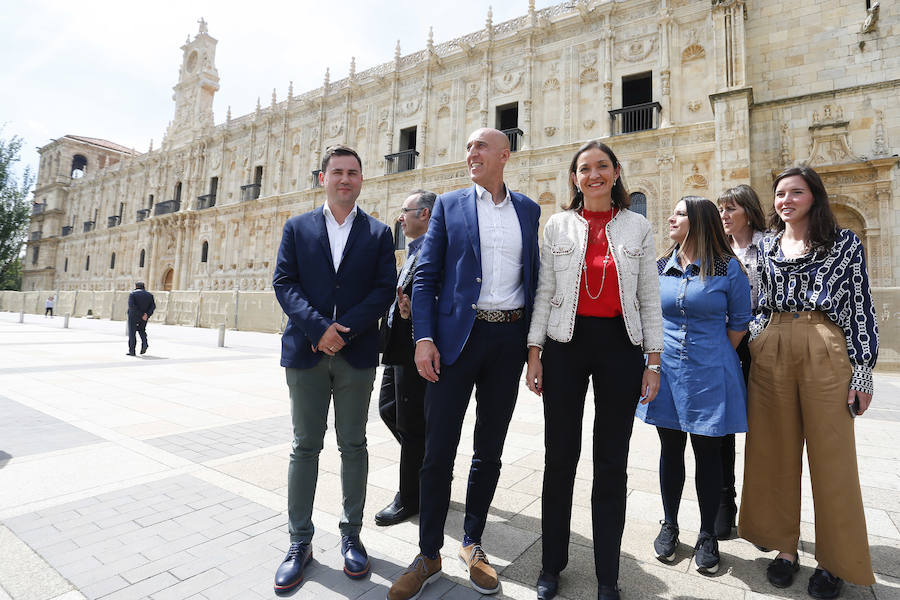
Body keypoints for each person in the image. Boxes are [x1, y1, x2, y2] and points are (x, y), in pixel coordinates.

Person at [387, 128, 540, 600]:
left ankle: (472, 542)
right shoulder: (451, 206)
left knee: (489, 447)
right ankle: (428, 551)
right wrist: (424, 337)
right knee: (438, 449)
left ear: (503, 155)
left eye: (480, 147)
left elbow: (534, 278)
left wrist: (534, 347)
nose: (471, 152)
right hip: (455, 340)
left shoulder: (528, 210)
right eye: (467, 145)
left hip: (508, 339)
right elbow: (428, 275)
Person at [524, 141, 664, 600]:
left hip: (621, 347)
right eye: (585, 169)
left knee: (611, 461)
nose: (594, 175)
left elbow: (648, 297)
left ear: (617, 172)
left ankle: (608, 574)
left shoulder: (638, 226)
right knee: (559, 458)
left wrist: (654, 361)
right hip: (566, 343)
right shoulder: (558, 225)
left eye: (602, 166)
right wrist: (534, 351)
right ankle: (551, 564)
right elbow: (544, 291)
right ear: (574, 178)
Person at [738, 167, 878, 599]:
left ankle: (834, 560)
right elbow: (756, 301)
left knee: (831, 456)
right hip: (773, 344)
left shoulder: (844, 244)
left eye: (796, 192)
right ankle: (784, 548)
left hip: (824, 343)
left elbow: (860, 306)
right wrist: (760, 337)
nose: (786, 200)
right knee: (773, 451)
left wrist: (863, 372)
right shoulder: (765, 246)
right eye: (780, 194)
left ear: (814, 197)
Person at [271, 144, 396, 593]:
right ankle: (299, 542)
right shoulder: (297, 227)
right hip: (306, 352)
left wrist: (345, 331)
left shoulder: (379, 233)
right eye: (338, 172)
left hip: (356, 354)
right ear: (322, 177)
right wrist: (318, 328)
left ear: (362, 179)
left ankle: (351, 534)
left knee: (354, 444)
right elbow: (284, 282)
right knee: (305, 446)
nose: (346, 179)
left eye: (353, 173)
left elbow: (384, 289)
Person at [635, 196, 751, 575]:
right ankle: (669, 524)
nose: (671, 217)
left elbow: (739, 322)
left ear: (699, 221)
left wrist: (711, 353)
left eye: (681, 213)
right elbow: (648, 316)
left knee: (707, 452)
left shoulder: (727, 268)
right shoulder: (659, 267)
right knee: (670, 448)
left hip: (710, 373)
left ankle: (707, 534)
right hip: (666, 372)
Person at [375, 189, 435, 526]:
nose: (400, 217)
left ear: (424, 214)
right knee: (389, 410)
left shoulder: (432, 251)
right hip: (397, 345)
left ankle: (410, 497)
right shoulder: (413, 251)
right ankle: (429, 467)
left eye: (405, 210)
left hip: (415, 346)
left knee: (411, 424)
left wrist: (416, 314)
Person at [714, 184, 767, 539]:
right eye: (721, 211)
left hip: (763, 342)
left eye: (730, 209)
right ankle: (724, 500)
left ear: (748, 210)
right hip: (727, 343)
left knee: (765, 428)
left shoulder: (770, 246)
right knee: (725, 427)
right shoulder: (718, 251)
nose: (724, 216)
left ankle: (764, 507)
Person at [126, 282, 155, 356]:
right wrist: (146, 314)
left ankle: (132, 351)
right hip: (144, 317)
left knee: (132, 333)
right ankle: (145, 344)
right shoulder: (149, 295)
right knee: (142, 330)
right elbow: (153, 306)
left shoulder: (133, 294)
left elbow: (131, 306)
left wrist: (141, 314)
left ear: (136, 286)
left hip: (133, 316)